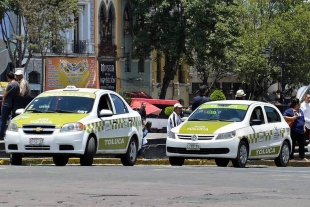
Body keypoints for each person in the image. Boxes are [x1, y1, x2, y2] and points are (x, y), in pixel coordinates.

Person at [0, 72, 20, 140]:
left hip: (6, 104)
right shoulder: (17, 84)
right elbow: (18, 94)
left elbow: (5, 95)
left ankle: (1, 134)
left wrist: (3, 96)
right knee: (11, 119)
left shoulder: (10, 85)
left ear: (8, 77)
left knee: (3, 120)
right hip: (13, 104)